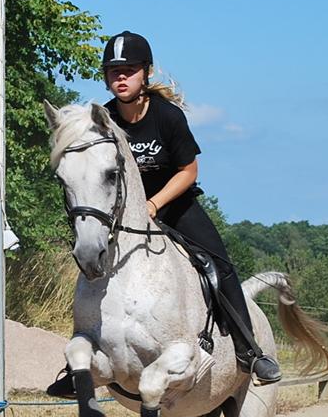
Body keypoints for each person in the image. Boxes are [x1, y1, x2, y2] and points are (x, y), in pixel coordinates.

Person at [48, 30, 281, 396]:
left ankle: (249, 350)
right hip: (123, 214)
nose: (120, 77)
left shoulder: (167, 117)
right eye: (113, 71)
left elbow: (189, 171)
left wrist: (155, 204)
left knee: (218, 263)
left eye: (129, 70)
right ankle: (79, 364)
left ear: (146, 73)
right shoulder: (103, 121)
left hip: (175, 203)